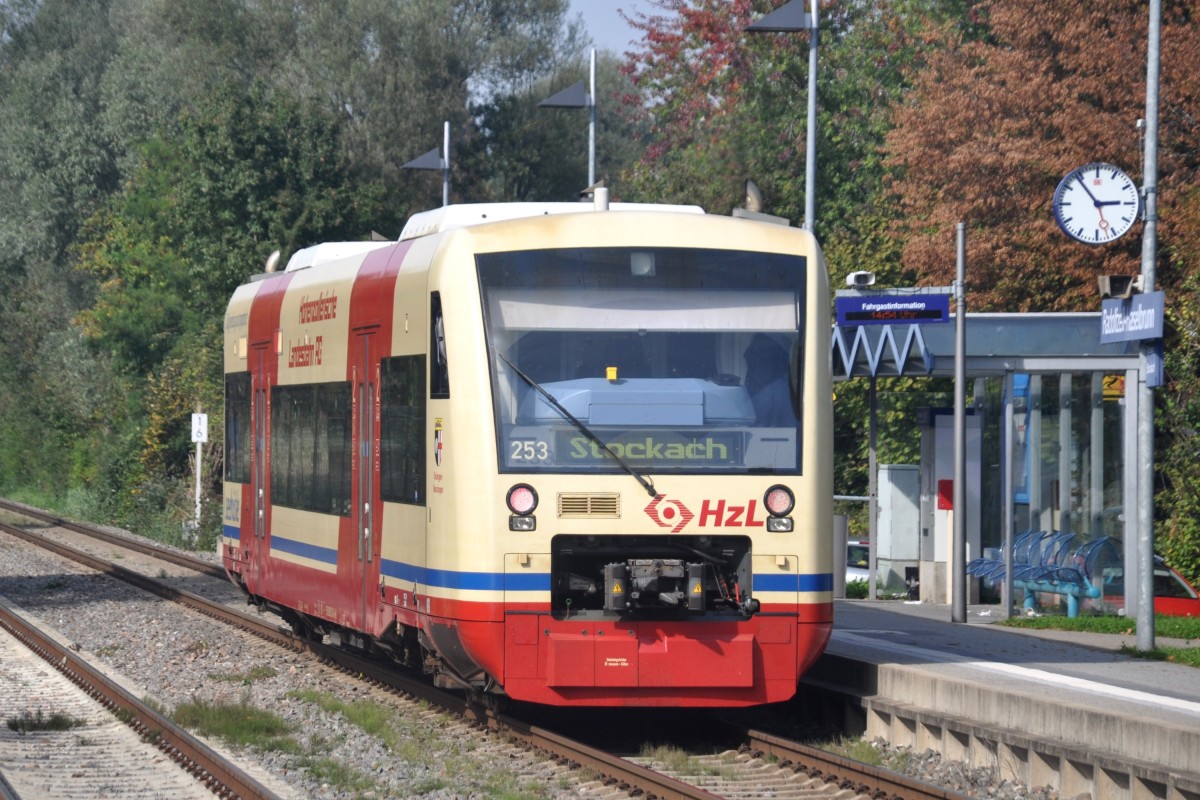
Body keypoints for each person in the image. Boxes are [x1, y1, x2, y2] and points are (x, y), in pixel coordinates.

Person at [743, 334, 794, 426]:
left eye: (757, 359)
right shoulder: (752, 388)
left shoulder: (779, 390)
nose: (752, 367)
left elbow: (790, 431)